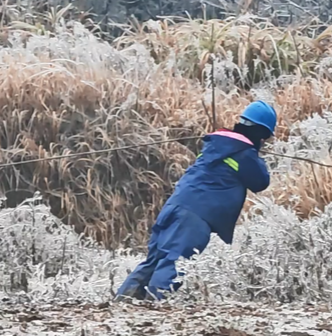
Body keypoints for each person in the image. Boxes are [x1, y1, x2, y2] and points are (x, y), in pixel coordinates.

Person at [115, 101, 277, 301]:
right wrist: (256, 153)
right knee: (175, 262)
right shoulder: (244, 153)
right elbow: (261, 182)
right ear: (260, 133)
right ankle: (156, 312)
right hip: (195, 216)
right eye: (265, 138)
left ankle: (121, 306)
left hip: (175, 207)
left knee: (154, 261)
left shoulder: (216, 145)